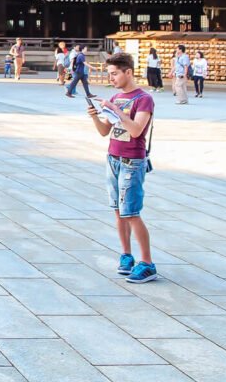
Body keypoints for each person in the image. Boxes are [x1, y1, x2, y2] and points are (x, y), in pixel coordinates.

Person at [86, 52, 157, 283]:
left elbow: (136, 130)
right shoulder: (116, 97)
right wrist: (96, 116)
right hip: (113, 157)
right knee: (118, 210)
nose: (112, 78)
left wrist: (116, 110)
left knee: (132, 212)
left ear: (128, 72)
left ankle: (147, 262)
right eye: (110, 74)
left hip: (132, 161)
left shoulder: (143, 99)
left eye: (115, 73)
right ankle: (126, 255)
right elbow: (105, 131)